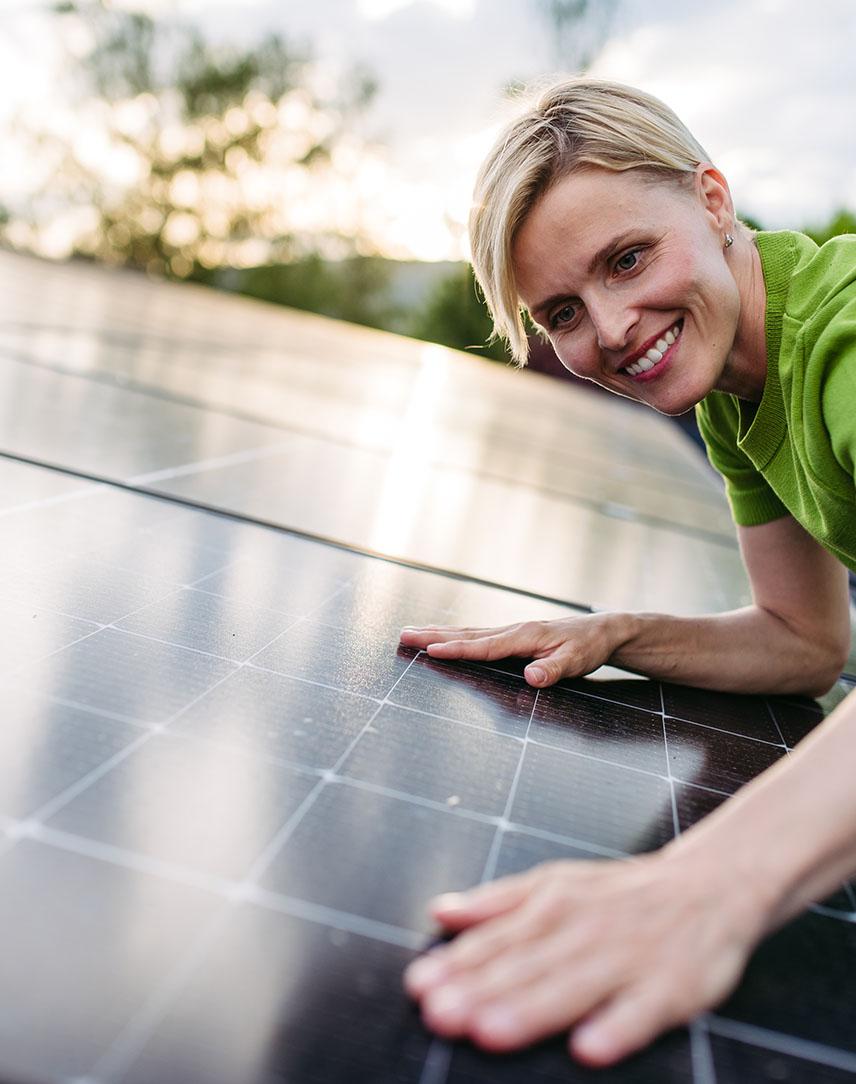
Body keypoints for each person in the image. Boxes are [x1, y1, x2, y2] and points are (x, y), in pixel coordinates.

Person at [398, 77, 856, 1068]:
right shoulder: (741, 379)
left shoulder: (843, 347)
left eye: (627, 257)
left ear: (713, 199)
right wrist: (614, 633)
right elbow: (805, 638)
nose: (608, 329)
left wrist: (706, 883)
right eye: (562, 310)